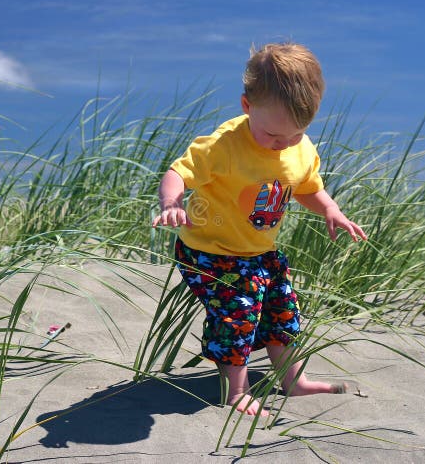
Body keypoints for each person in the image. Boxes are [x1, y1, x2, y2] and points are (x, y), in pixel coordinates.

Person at [151, 42, 367, 416]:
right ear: (247, 106)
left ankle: (293, 381)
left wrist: (331, 209)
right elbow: (177, 173)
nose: (282, 144)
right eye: (272, 135)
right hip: (208, 251)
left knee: (283, 310)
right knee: (238, 311)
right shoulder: (224, 144)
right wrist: (172, 203)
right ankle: (237, 391)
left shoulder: (299, 147)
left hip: (258, 251)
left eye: (295, 134)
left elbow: (307, 186)